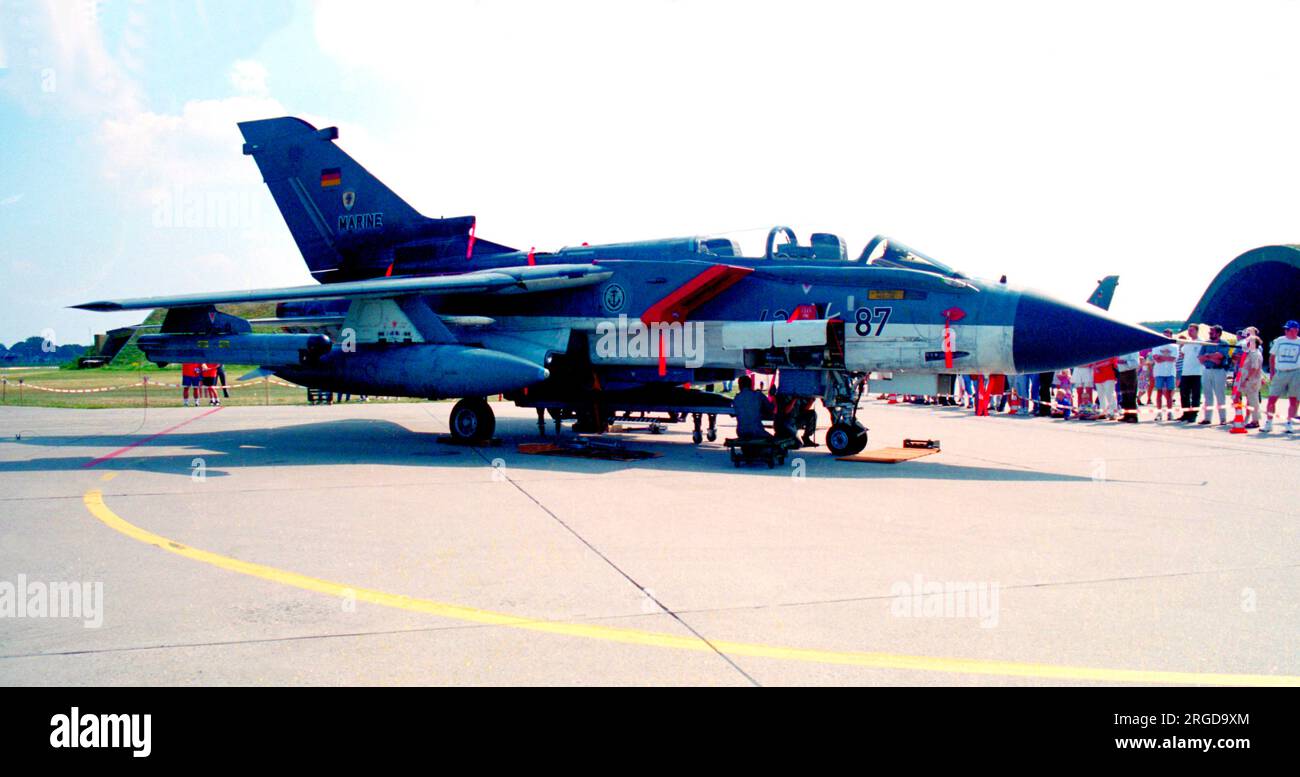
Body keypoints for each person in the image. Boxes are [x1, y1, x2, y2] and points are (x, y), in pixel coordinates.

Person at [1262, 319, 1300, 434]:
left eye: (1289, 329)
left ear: (1296, 330)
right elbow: (1272, 356)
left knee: (1293, 400)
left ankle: (1289, 423)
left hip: (1295, 373)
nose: (1286, 331)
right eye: (1286, 329)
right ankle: (1268, 423)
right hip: (1280, 372)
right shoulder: (1279, 340)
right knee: (1272, 398)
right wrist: (1272, 372)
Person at [1197, 324, 1229, 425]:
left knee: (1220, 395)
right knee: (1207, 395)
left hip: (1219, 371)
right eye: (1209, 332)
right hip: (1207, 370)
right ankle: (1207, 418)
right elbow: (1200, 359)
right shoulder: (1205, 343)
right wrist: (1211, 357)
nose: (1210, 334)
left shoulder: (1224, 343)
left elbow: (1219, 358)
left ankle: (1223, 419)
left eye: (1212, 332)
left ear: (1219, 333)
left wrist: (1207, 356)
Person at [1237, 330, 1264, 428]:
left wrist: (1246, 380)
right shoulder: (1252, 353)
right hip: (1250, 380)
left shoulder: (1255, 354)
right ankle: (1253, 419)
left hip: (1252, 381)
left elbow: (1254, 368)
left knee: (1253, 401)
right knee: (1251, 400)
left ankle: (1255, 421)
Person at [1149, 329, 1178, 422]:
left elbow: (1173, 358)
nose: (1166, 337)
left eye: (1168, 335)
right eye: (1165, 335)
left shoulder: (1174, 346)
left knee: (1169, 393)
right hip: (1159, 372)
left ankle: (1170, 412)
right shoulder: (1156, 346)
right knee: (1159, 392)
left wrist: (1162, 357)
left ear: (1171, 336)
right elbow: (1156, 359)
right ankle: (1159, 412)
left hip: (1170, 372)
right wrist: (1166, 357)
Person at [732, 375, 772, 439]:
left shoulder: (736, 398)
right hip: (757, 431)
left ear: (739, 386)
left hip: (741, 432)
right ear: (751, 385)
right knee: (774, 441)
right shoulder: (758, 395)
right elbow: (770, 408)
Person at [1178, 326, 1203, 422]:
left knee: (1195, 395)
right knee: (1184, 394)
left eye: (1191, 330)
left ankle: (1193, 414)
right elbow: (1183, 353)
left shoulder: (1201, 342)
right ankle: (1185, 413)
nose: (1189, 332)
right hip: (1185, 372)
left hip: (1197, 372)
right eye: (1188, 330)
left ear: (1197, 331)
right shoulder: (1187, 342)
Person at [1116, 351, 1140, 423]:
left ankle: (1133, 416)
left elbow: (1136, 363)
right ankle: (1126, 415)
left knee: (1131, 396)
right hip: (1122, 372)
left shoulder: (1133, 350)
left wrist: (1125, 362)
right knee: (1124, 395)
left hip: (1130, 372)